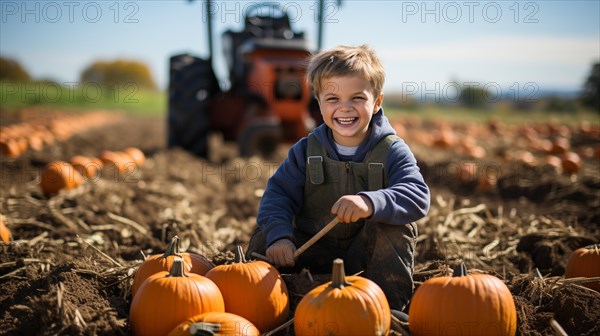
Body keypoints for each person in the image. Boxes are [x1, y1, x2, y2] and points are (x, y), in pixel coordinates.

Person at [246, 44, 430, 311]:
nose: (345, 108)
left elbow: (417, 195)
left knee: (396, 225)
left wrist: (370, 202)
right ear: (318, 103)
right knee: (264, 237)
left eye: (357, 98)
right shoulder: (306, 150)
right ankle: (268, 307)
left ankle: (388, 311)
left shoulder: (391, 150)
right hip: (310, 247)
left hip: (363, 256)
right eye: (332, 99)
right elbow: (278, 194)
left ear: (376, 102)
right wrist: (280, 237)